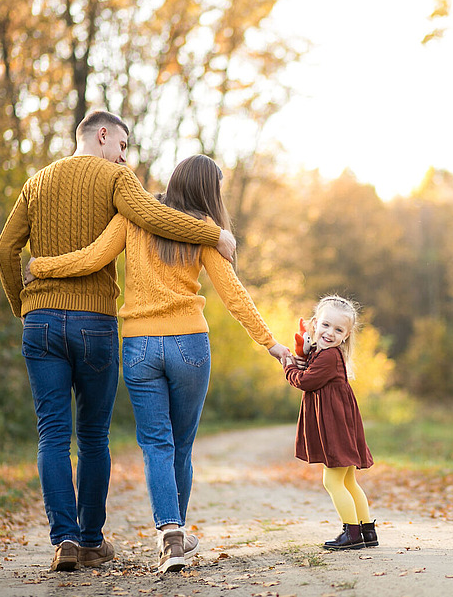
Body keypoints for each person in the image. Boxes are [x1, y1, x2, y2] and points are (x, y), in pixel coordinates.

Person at [0, 111, 238, 573]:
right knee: (91, 436)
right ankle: (90, 539)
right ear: (103, 136)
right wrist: (214, 233)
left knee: (51, 434)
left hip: (40, 321)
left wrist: (21, 308)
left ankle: (63, 538)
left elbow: (5, 250)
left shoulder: (37, 182)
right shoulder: (116, 177)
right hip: (95, 321)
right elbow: (155, 215)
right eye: (123, 144)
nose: (125, 154)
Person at [26, 154, 291, 573]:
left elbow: (92, 258)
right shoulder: (203, 231)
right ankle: (175, 538)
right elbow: (234, 294)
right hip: (190, 344)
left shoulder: (134, 217)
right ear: (207, 190)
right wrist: (270, 343)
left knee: (156, 445)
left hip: (139, 346)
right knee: (180, 447)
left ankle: (170, 531)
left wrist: (42, 266)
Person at [283, 295, 377, 550]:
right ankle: (367, 531)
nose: (329, 332)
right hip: (342, 424)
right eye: (325, 325)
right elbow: (310, 360)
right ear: (315, 324)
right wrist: (303, 351)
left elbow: (305, 381)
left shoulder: (328, 357)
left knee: (332, 481)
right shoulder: (324, 354)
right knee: (348, 481)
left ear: (346, 335)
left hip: (335, 427)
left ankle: (352, 533)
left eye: (338, 330)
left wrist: (289, 367)